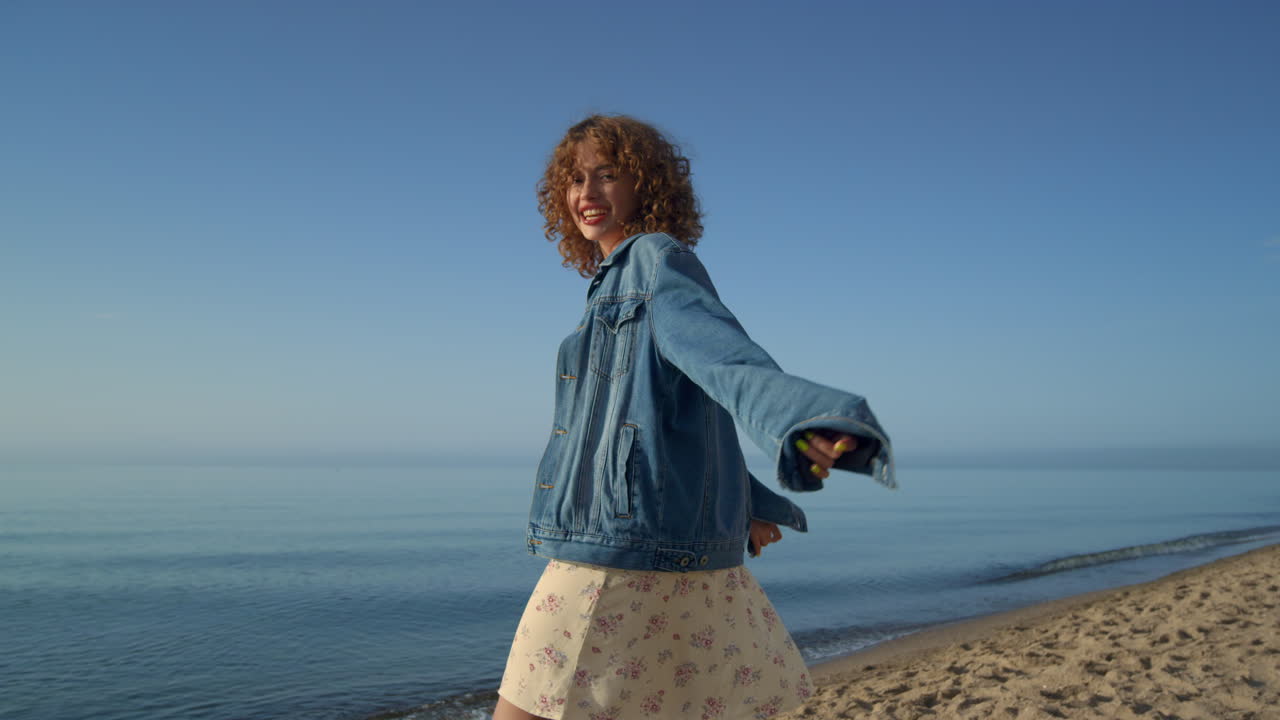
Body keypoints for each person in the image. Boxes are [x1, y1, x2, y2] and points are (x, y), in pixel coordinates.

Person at [494, 115, 895, 720]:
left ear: (646, 184)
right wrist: (746, 500)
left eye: (608, 174)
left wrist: (804, 421)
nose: (587, 193)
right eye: (576, 179)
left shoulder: (655, 262)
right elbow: (691, 408)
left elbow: (725, 361)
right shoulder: (613, 282)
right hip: (656, 544)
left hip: (613, 552)